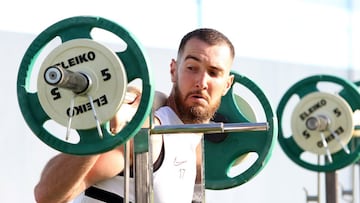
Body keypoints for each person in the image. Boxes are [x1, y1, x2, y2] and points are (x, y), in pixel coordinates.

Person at [34, 28, 235, 203]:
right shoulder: (148, 137)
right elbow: (48, 195)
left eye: (214, 72)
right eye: (192, 68)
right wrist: (104, 128)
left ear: (227, 84)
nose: (201, 81)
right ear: (173, 70)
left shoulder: (193, 147)